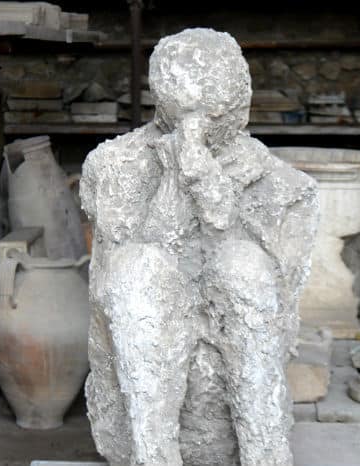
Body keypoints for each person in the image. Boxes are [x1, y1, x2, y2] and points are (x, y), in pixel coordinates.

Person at [81, 28, 319, 466]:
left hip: (232, 329)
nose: (210, 128)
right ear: (163, 106)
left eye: (218, 115)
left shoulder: (283, 185)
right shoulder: (115, 166)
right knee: (139, 269)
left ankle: (262, 450)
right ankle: (154, 455)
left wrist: (218, 199)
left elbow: (281, 302)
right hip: (151, 322)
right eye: (193, 117)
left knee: (244, 267)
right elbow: (112, 286)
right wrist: (177, 182)